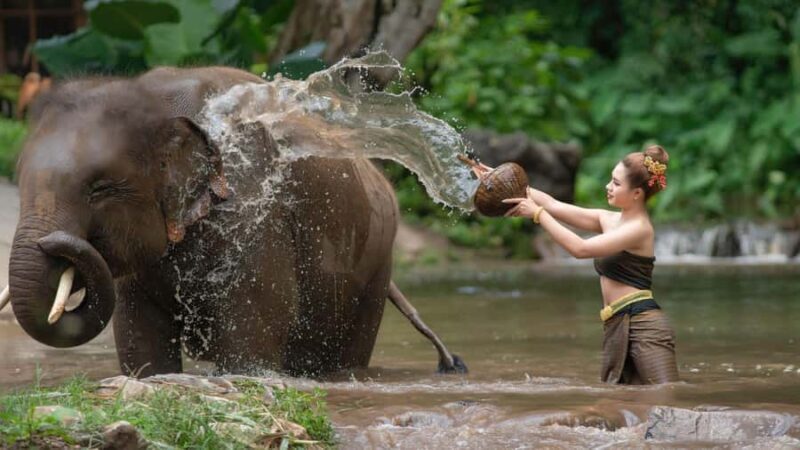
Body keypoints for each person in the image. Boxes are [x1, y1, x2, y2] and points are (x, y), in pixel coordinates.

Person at [495, 145, 679, 385]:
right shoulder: (610, 219)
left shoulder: (639, 229)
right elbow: (553, 204)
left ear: (636, 194)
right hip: (618, 322)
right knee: (625, 403)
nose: (608, 186)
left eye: (616, 183)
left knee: (666, 399)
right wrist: (495, 178)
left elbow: (579, 249)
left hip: (644, 326)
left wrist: (538, 215)